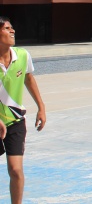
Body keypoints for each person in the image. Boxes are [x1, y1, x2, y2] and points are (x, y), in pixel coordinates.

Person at [0, 17, 46, 204]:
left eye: (12, 27)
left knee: (16, 170)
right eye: (7, 28)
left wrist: (41, 107)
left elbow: (28, 79)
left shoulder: (22, 55)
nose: (12, 31)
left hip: (15, 121)